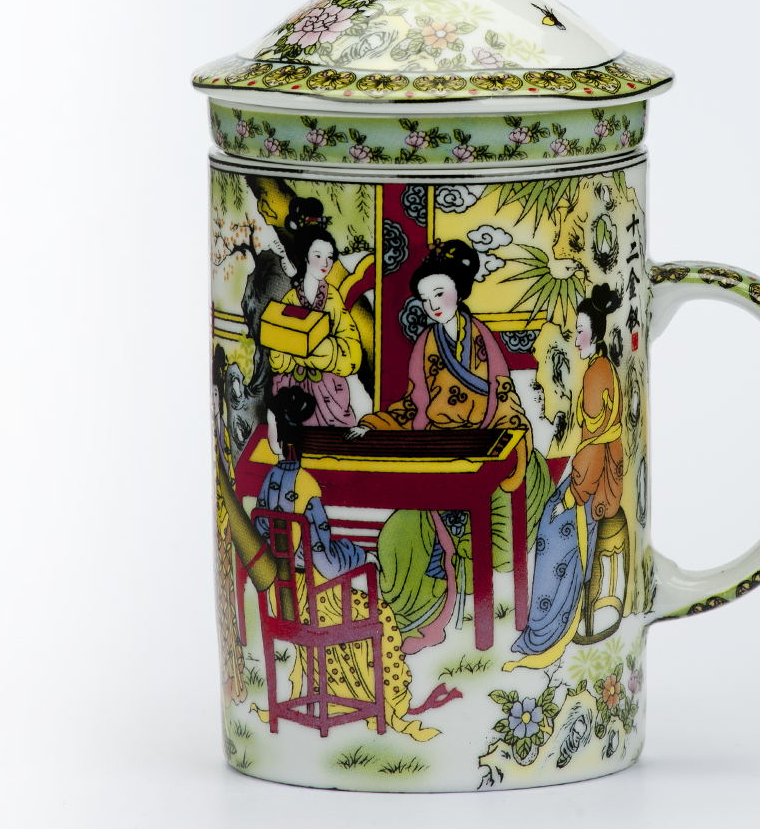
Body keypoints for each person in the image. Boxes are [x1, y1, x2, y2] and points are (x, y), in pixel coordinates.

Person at [354, 240, 554, 651]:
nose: (432, 305)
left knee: (503, 503)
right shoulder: (425, 346)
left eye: (439, 293)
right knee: (399, 533)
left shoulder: (482, 340)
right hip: (437, 454)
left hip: (485, 448)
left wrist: (508, 441)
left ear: (459, 291)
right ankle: (416, 621)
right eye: (425, 299)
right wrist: (373, 426)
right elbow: (413, 406)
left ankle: (485, 615)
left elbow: (504, 397)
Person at [251, 386, 440, 741]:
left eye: (271, 426)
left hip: (282, 597)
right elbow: (325, 560)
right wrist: (361, 556)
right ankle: (384, 706)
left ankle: (330, 701)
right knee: (381, 616)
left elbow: (263, 531)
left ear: (281, 436)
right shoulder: (305, 486)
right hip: (316, 600)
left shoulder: (270, 481)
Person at [506, 283, 627, 668]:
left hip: (595, 481)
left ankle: (545, 630)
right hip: (597, 468)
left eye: (580, 331)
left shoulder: (596, 375)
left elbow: (593, 446)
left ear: (595, 334)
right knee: (548, 515)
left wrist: (573, 496)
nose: (576, 338)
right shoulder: (600, 367)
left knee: (551, 529)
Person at [269, 197, 362, 427]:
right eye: (318, 255)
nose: (325, 264)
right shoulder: (291, 299)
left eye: (330, 257)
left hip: (329, 388)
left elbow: (352, 349)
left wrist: (323, 350)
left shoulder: (333, 299)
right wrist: (285, 349)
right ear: (305, 255)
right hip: (294, 385)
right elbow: (278, 350)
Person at [212, 344, 246, 704]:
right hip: (225, 532)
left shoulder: (225, 431)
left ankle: (235, 680)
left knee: (229, 607)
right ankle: (232, 684)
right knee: (227, 606)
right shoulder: (219, 430)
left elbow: (230, 480)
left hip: (226, 529)